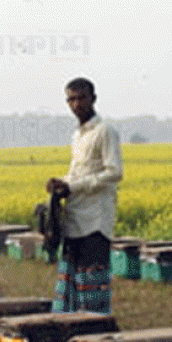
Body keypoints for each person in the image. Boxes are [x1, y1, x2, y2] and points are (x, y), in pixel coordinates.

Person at [46, 77, 123, 314]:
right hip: (75, 218)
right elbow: (77, 173)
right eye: (71, 99)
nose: (76, 104)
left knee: (92, 287)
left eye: (81, 98)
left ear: (93, 99)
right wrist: (61, 184)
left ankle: (95, 331)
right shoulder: (77, 136)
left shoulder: (105, 131)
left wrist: (73, 187)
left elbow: (114, 172)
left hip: (95, 221)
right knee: (72, 284)